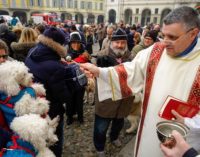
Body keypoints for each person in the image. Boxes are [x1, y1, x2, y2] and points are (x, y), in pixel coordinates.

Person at [80, 6, 200, 157]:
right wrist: (100, 72)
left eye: (172, 37)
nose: (165, 42)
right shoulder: (156, 51)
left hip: (183, 138)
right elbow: (131, 71)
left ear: (193, 33)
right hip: (148, 128)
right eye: (164, 36)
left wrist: (191, 124)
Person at [25, 27, 71, 157]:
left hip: (33, 106)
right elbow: (63, 96)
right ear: (59, 45)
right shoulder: (56, 67)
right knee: (55, 142)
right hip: (51, 111)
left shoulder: (32, 51)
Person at [94, 28, 135, 157]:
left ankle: (114, 137)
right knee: (101, 127)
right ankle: (99, 147)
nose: (120, 45)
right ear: (111, 42)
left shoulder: (131, 57)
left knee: (119, 122)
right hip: (107, 101)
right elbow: (96, 76)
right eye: (117, 42)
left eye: (123, 42)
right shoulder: (101, 55)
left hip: (124, 100)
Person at [65, 32, 89, 125]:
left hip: (81, 79)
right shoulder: (66, 53)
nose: (76, 44)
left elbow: (89, 65)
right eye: (73, 42)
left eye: (78, 42)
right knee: (69, 100)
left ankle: (80, 116)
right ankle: (69, 116)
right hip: (70, 80)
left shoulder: (84, 52)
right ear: (70, 43)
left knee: (79, 99)